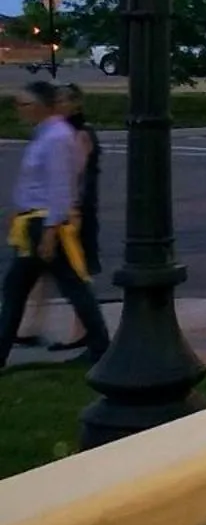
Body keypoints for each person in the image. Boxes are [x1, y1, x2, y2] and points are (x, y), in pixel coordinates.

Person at [0, 80, 109, 369]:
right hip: (35, 222)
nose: (19, 110)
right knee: (18, 288)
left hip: (47, 224)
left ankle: (101, 346)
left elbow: (62, 186)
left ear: (40, 106)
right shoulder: (46, 135)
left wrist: (49, 232)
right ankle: (100, 346)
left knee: (69, 287)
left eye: (23, 104)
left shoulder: (57, 137)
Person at [47, 85, 103, 352]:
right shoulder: (61, 133)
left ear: (75, 104)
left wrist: (72, 210)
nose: (56, 105)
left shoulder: (80, 134)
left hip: (75, 213)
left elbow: (75, 175)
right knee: (44, 271)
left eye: (61, 100)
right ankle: (25, 327)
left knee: (77, 272)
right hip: (64, 210)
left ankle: (83, 332)